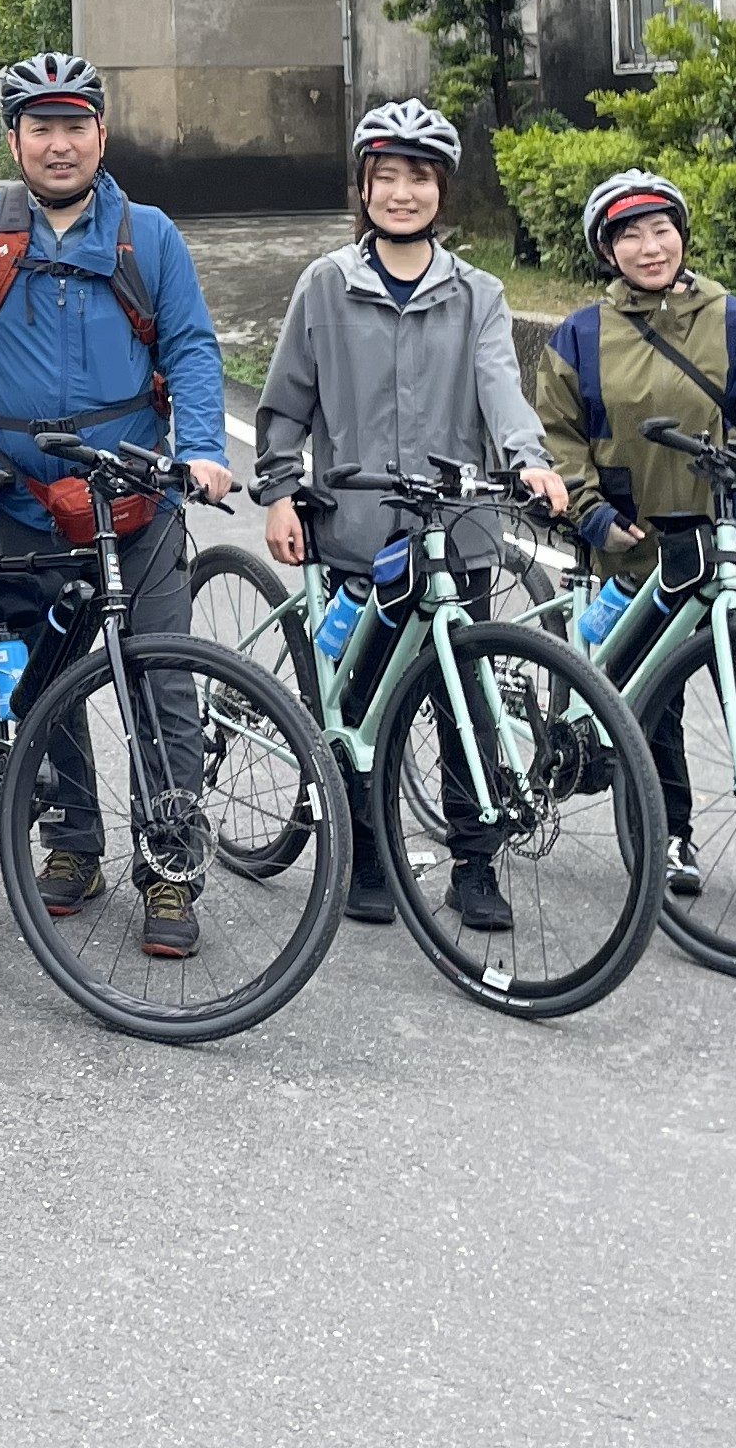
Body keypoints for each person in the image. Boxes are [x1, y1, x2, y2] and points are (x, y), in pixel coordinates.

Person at [0, 50, 238, 957]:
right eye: (40, 127)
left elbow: (192, 346)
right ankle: (73, 841)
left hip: (135, 498)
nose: (58, 144)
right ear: (13, 140)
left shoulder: (147, 235)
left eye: (74, 126)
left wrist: (202, 448)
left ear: (101, 135)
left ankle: (170, 865)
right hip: (20, 498)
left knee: (160, 681)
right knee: (42, 679)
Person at [250, 96, 571, 933]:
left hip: (455, 535)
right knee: (360, 702)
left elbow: (501, 387)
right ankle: (366, 851)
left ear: (442, 191)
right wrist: (279, 492)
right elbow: (285, 402)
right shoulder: (326, 285)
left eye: (419, 178)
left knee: (465, 701)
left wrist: (529, 459)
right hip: (357, 532)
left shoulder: (478, 294)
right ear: (364, 188)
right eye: (386, 177)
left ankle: (475, 863)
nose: (402, 193)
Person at [536, 167, 736, 920]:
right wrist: (589, 512)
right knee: (650, 705)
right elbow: (560, 441)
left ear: (682, 236)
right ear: (606, 250)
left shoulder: (735, 321)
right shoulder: (579, 337)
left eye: (662, 230)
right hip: (638, 549)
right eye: (629, 235)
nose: (650, 247)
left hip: (733, 546)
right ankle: (667, 837)